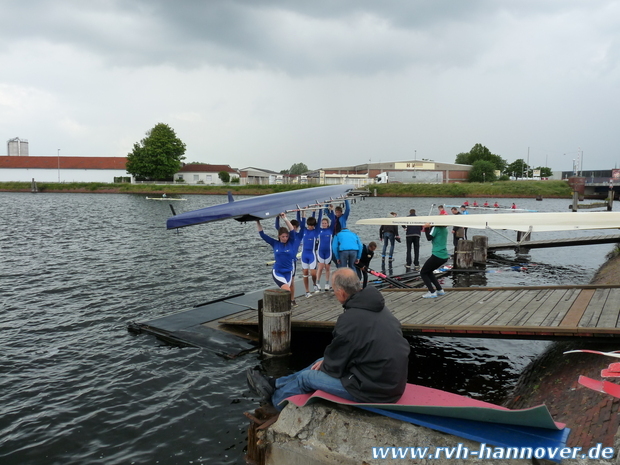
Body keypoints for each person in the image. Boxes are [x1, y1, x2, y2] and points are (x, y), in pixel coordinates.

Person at [246, 268, 410, 410]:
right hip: (388, 381)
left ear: (341, 292)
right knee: (321, 361)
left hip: (373, 390)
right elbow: (343, 354)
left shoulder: (349, 320)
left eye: (333, 289)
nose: (334, 292)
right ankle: (276, 383)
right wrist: (326, 362)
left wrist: (327, 363)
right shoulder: (379, 308)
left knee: (307, 378)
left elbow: (334, 365)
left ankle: (275, 401)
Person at [257, 213, 301, 306]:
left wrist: (285, 218)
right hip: (278, 272)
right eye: (283, 236)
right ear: (279, 236)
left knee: (286, 292)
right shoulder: (275, 243)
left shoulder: (291, 241)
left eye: (286, 236)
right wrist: (257, 221)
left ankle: (280, 307)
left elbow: (292, 229)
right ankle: (282, 308)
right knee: (287, 290)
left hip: (288, 272)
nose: (285, 238)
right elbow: (262, 235)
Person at [419, 222, 449, 298]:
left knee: (423, 272)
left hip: (437, 254)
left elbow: (429, 237)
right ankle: (439, 290)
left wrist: (426, 228)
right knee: (429, 271)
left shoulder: (436, 228)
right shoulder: (445, 229)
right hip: (444, 255)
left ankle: (432, 292)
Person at [299, 214, 320, 297]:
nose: (310, 227)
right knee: (305, 273)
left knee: (313, 273)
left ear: (314, 226)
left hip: (312, 255)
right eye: (309, 225)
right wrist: (302, 212)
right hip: (304, 255)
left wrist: (317, 210)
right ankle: (307, 291)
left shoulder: (315, 232)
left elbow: (319, 218)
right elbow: (300, 220)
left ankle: (315, 284)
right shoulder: (304, 230)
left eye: (312, 226)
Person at [316, 215, 334, 291]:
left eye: (325, 223)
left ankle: (327, 284)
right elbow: (317, 221)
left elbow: (333, 219)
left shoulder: (330, 230)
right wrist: (319, 210)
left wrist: (332, 210)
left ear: (327, 224)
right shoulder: (319, 230)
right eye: (322, 223)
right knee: (320, 268)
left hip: (328, 252)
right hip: (320, 252)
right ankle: (317, 283)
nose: (323, 224)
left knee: (327, 268)